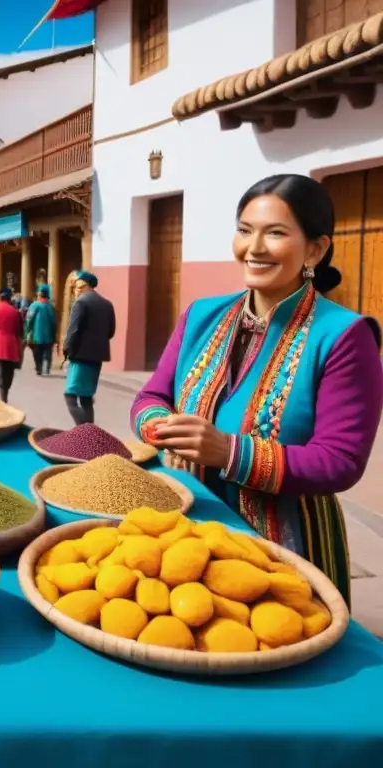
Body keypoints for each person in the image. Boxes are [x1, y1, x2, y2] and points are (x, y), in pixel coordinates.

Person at [134, 175, 383, 604]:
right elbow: (151, 397)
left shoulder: (344, 336)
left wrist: (227, 452)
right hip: (184, 526)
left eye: (276, 233)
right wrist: (165, 429)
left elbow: (341, 460)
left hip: (285, 543)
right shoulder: (201, 315)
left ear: (316, 249)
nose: (255, 247)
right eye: (245, 230)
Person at [63, 272, 115, 425]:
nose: (77, 290)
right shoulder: (107, 304)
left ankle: (83, 432)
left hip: (80, 356)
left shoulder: (81, 303)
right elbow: (110, 331)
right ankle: (90, 431)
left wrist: (67, 350)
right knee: (86, 397)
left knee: (70, 395)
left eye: (80, 286)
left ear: (89, 286)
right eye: (76, 287)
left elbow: (73, 330)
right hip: (97, 357)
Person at [25, 286, 57, 376]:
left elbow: (29, 319)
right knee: (48, 352)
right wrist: (54, 334)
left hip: (37, 335)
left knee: (37, 352)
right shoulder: (50, 307)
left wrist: (27, 331)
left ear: (39, 296)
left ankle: (39, 368)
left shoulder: (34, 305)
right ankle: (47, 367)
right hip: (48, 336)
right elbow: (54, 322)